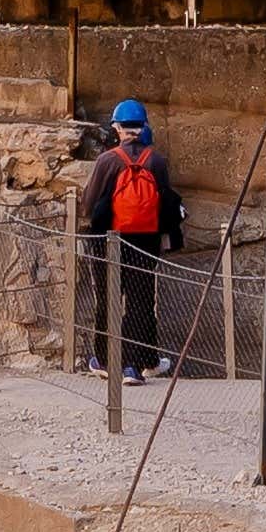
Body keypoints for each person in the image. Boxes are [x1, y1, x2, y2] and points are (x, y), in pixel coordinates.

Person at [81, 102, 177, 379]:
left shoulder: (107, 161)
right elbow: (166, 203)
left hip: (109, 240)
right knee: (142, 300)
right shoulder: (156, 161)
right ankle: (137, 364)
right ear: (144, 126)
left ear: (118, 128)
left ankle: (105, 360)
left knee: (108, 299)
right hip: (145, 240)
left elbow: (88, 204)